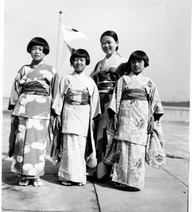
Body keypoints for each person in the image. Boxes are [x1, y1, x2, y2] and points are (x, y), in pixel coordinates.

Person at [105, 50, 165, 191]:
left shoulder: (149, 83)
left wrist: (152, 120)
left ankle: (135, 182)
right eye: (133, 62)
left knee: (137, 150)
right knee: (123, 149)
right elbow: (116, 99)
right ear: (129, 64)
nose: (136, 64)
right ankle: (120, 180)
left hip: (141, 120)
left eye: (139, 62)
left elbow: (155, 104)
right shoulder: (123, 80)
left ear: (145, 64)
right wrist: (114, 116)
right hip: (125, 118)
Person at [8, 37, 59, 187]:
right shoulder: (24, 69)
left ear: (45, 53)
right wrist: (13, 106)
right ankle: (23, 175)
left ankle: (35, 175)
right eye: (34, 48)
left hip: (42, 110)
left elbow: (56, 92)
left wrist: (55, 111)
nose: (37, 51)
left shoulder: (51, 70)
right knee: (22, 142)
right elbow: (16, 89)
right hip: (23, 108)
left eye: (40, 49)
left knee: (37, 143)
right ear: (30, 50)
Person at [55, 49, 100, 186]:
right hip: (69, 112)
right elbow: (59, 98)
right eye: (75, 59)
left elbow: (95, 102)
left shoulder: (90, 81)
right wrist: (57, 115)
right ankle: (66, 176)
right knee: (68, 145)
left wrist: (92, 118)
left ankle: (79, 176)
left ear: (86, 62)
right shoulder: (66, 79)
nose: (78, 62)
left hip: (83, 114)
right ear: (72, 62)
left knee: (81, 146)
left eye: (81, 60)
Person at [91, 30, 127, 181]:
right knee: (99, 134)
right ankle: (101, 171)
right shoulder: (99, 63)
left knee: (112, 135)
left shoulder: (123, 62)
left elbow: (126, 83)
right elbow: (91, 80)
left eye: (109, 42)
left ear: (117, 43)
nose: (106, 45)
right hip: (99, 100)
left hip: (114, 101)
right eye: (103, 43)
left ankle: (113, 172)